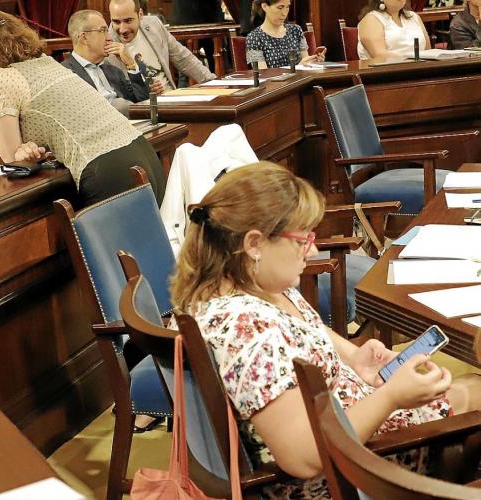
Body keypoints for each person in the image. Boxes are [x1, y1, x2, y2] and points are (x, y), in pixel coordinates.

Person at [170, 162, 481, 498]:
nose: (313, 250)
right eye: (302, 240)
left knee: (471, 386)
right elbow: (304, 457)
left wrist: (353, 357)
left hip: (349, 429)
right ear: (254, 243)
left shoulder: (245, 287)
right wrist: (391, 397)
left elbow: (305, 329)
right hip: (353, 471)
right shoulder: (250, 331)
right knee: (473, 395)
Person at [0, 9, 166, 207]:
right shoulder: (45, 61)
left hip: (108, 171)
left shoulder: (0, 78)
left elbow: (11, 158)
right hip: (141, 153)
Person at [107, 0, 216, 95]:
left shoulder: (154, 24)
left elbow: (183, 57)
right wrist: (146, 91)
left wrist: (213, 81)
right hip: (144, 106)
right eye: (116, 22)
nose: (123, 29)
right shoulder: (107, 44)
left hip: (172, 98)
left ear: (140, 15)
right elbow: (121, 95)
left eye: (128, 21)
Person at [63, 10, 149, 117]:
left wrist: (130, 64)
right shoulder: (66, 75)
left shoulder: (113, 70)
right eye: (103, 31)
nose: (109, 38)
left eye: (107, 31)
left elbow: (143, 102)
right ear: (84, 37)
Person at [246, 0, 325, 69]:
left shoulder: (296, 30)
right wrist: (298, 68)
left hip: (302, 80)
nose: (284, 13)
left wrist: (314, 62)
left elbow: (306, 62)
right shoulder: (254, 38)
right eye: (280, 7)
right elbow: (263, 74)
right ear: (265, 7)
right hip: (276, 82)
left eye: (287, 7)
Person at [357, 0, 431, 59]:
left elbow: (428, 51)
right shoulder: (371, 19)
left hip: (420, 68)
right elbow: (380, 55)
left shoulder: (414, 17)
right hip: (386, 71)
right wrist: (412, 60)